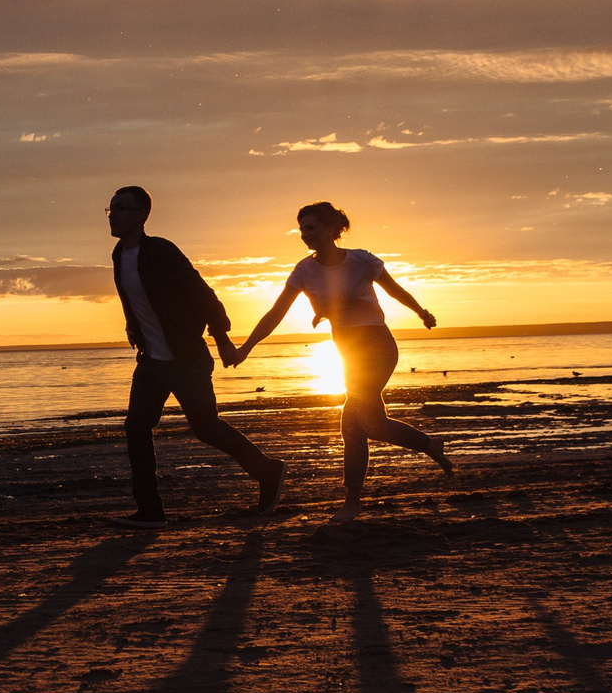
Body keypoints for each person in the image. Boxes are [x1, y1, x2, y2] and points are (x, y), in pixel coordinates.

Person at [230, 201, 453, 505]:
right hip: (347, 351)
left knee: (352, 420)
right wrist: (246, 347)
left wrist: (422, 312)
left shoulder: (362, 260)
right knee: (373, 423)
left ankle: (352, 501)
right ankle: (429, 444)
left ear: (333, 229)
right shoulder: (304, 270)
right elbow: (275, 312)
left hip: (377, 345)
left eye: (312, 228)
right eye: (301, 230)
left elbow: (394, 289)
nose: (305, 235)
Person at [106, 185, 286, 528]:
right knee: (136, 427)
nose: (113, 215)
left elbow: (202, 293)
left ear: (142, 216)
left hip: (186, 358)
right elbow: (136, 299)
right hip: (152, 361)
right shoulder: (118, 254)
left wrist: (221, 338)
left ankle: (267, 470)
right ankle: (150, 510)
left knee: (206, 428)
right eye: (110, 209)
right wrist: (133, 327)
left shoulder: (162, 251)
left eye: (121, 209)